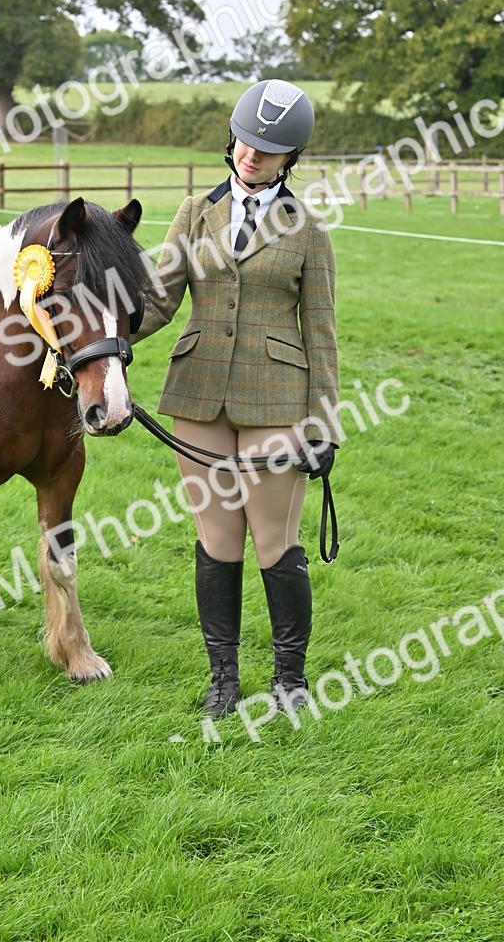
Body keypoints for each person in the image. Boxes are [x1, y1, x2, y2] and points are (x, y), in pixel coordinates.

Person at [134, 78, 339, 718]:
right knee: (216, 540)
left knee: (275, 541)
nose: (252, 156)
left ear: (290, 158)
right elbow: (159, 299)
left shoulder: (308, 231)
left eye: (268, 149)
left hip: (278, 396)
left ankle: (290, 678)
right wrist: (98, 341)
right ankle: (224, 677)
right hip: (197, 393)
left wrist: (324, 423)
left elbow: (322, 332)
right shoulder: (196, 213)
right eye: (246, 142)